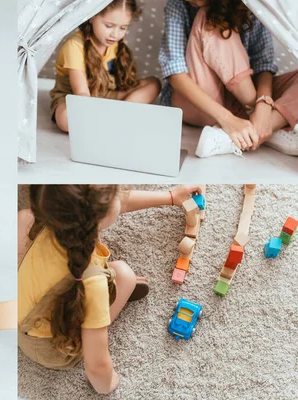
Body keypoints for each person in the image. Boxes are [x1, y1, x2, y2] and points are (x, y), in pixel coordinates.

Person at [18, 184, 202, 394]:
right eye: (115, 191)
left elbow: (119, 202)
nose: (121, 192)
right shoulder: (91, 280)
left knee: (24, 220)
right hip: (50, 348)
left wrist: (171, 196)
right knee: (124, 274)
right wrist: (109, 384)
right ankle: (111, 293)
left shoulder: (40, 215)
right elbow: (97, 367)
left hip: (18, 313)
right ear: (99, 215)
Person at [159, 0, 298, 157]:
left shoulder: (251, 6)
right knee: (210, 16)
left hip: (243, 101)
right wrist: (228, 120)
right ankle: (265, 128)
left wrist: (264, 106)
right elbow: (176, 75)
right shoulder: (178, 6)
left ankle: (260, 130)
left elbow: (263, 65)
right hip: (200, 101)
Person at [50, 0, 161, 132]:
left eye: (123, 28)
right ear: (92, 16)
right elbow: (81, 92)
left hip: (104, 94)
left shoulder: (114, 44)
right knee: (65, 119)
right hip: (76, 97)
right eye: (109, 26)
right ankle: (113, 117)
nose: (115, 34)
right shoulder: (75, 45)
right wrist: (89, 112)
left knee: (154, 84)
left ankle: (120, 113)